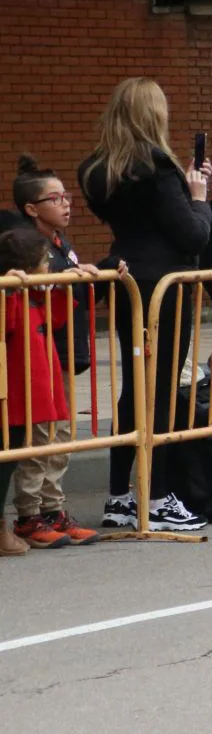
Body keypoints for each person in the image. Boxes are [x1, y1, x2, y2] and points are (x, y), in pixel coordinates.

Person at [79, 76, 212, 533]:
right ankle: (156, 496)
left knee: (133, 387)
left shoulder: (97, 168)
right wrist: (199, 198)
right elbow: (193, 235)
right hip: (163, 285)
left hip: (125, 276)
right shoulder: (155, 168)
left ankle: (120, 496)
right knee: (161, 389)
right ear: (153, 114)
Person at [6, 157, 102, 547]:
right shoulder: (23, 248)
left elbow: (61, 305)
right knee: (38, 442)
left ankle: (54, 509)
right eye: (56, 198)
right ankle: (31, 516)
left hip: (59, 354)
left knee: (60, 438)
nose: (67, 204)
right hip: (34, 363)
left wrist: (92, 274)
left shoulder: (63, 245)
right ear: (32, 208)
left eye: (67, 196)